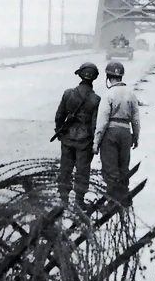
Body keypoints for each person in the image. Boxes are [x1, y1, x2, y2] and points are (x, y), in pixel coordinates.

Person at [54, 62, 102, 210]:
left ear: (80, 74)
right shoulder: (96, 99)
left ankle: (63, 200)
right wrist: (95, 141)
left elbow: (59, 115)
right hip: (85, 139)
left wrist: (60, 131)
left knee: (65, 168)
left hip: (67, 137)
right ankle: (79, 202)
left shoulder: (68, 93)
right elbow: (95, 123)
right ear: (94, 78)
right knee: (82, 170)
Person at [93, 61, 140, 209]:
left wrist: (96, 142)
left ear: (108, 76)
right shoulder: (131, 93)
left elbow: (102, 121)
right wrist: (136, 136)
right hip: (126, 132)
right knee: (123, 166)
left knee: (110, 169)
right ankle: (125, 198)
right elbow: (136, 119)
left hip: (110, 133)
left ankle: (113, 202)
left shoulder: (108, 94)